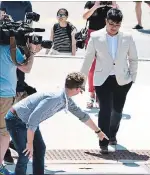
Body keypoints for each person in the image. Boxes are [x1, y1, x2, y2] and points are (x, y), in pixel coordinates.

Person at [5, 72, 108, 175]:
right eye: (81, 90)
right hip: (16, 120)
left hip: (28, 122)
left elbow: (82, 115)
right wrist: (30, 143)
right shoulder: (55, 98)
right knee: (25, 154)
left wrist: (98, 131)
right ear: (77, 89)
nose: (80, 92)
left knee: (40, 149)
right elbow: (33, 119)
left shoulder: (65, 98)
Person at [80, 8, 138, 154]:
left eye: (117, 25)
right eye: (111, 24)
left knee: (117, 111)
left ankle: (112, 134)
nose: (114, 27)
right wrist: (82, 81)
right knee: (104, 110)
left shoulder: (127, 37)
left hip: (122, 80)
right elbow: (88, 60)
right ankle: (103, 140)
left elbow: (133, 59)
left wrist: (132, 78)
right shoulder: (95, 36)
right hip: (102, 80)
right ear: (106, 21)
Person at [0, 18, 42, 175]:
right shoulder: (10, 50)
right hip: (5, 96)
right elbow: (27, 68)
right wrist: (31, 51)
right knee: (3, 133)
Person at [83, 1, 118, 108]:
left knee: (105, 67)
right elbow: (85, 16)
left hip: (106, 36)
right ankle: (92, 94)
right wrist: (96, 6)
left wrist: (114, 6)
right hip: (92, 35)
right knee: (92, 67)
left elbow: (118, 19)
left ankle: (100, 95)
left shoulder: (109, 4)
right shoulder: (90, 3)